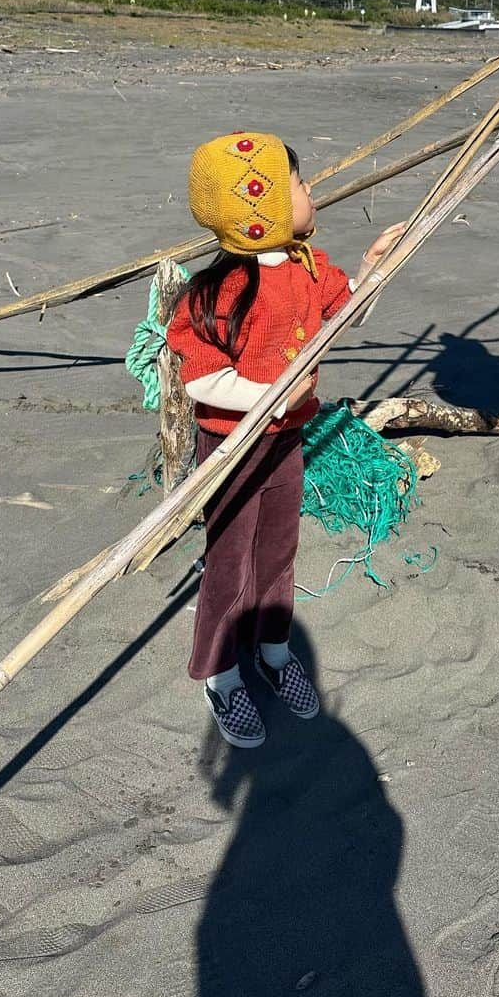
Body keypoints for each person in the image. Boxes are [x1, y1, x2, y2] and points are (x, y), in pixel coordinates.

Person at [166, 131, 404, 749]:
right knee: (229, 559)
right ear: (265, 205)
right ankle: (220, 672)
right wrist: (271, 395)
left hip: (285, 444)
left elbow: (343, 315)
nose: (310, 192)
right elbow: (201, 379)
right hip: (231, 451)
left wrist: (377, 266)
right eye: (299, 183)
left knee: (278, 550)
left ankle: (272, 650)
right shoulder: (217, 292)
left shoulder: (308, 268)